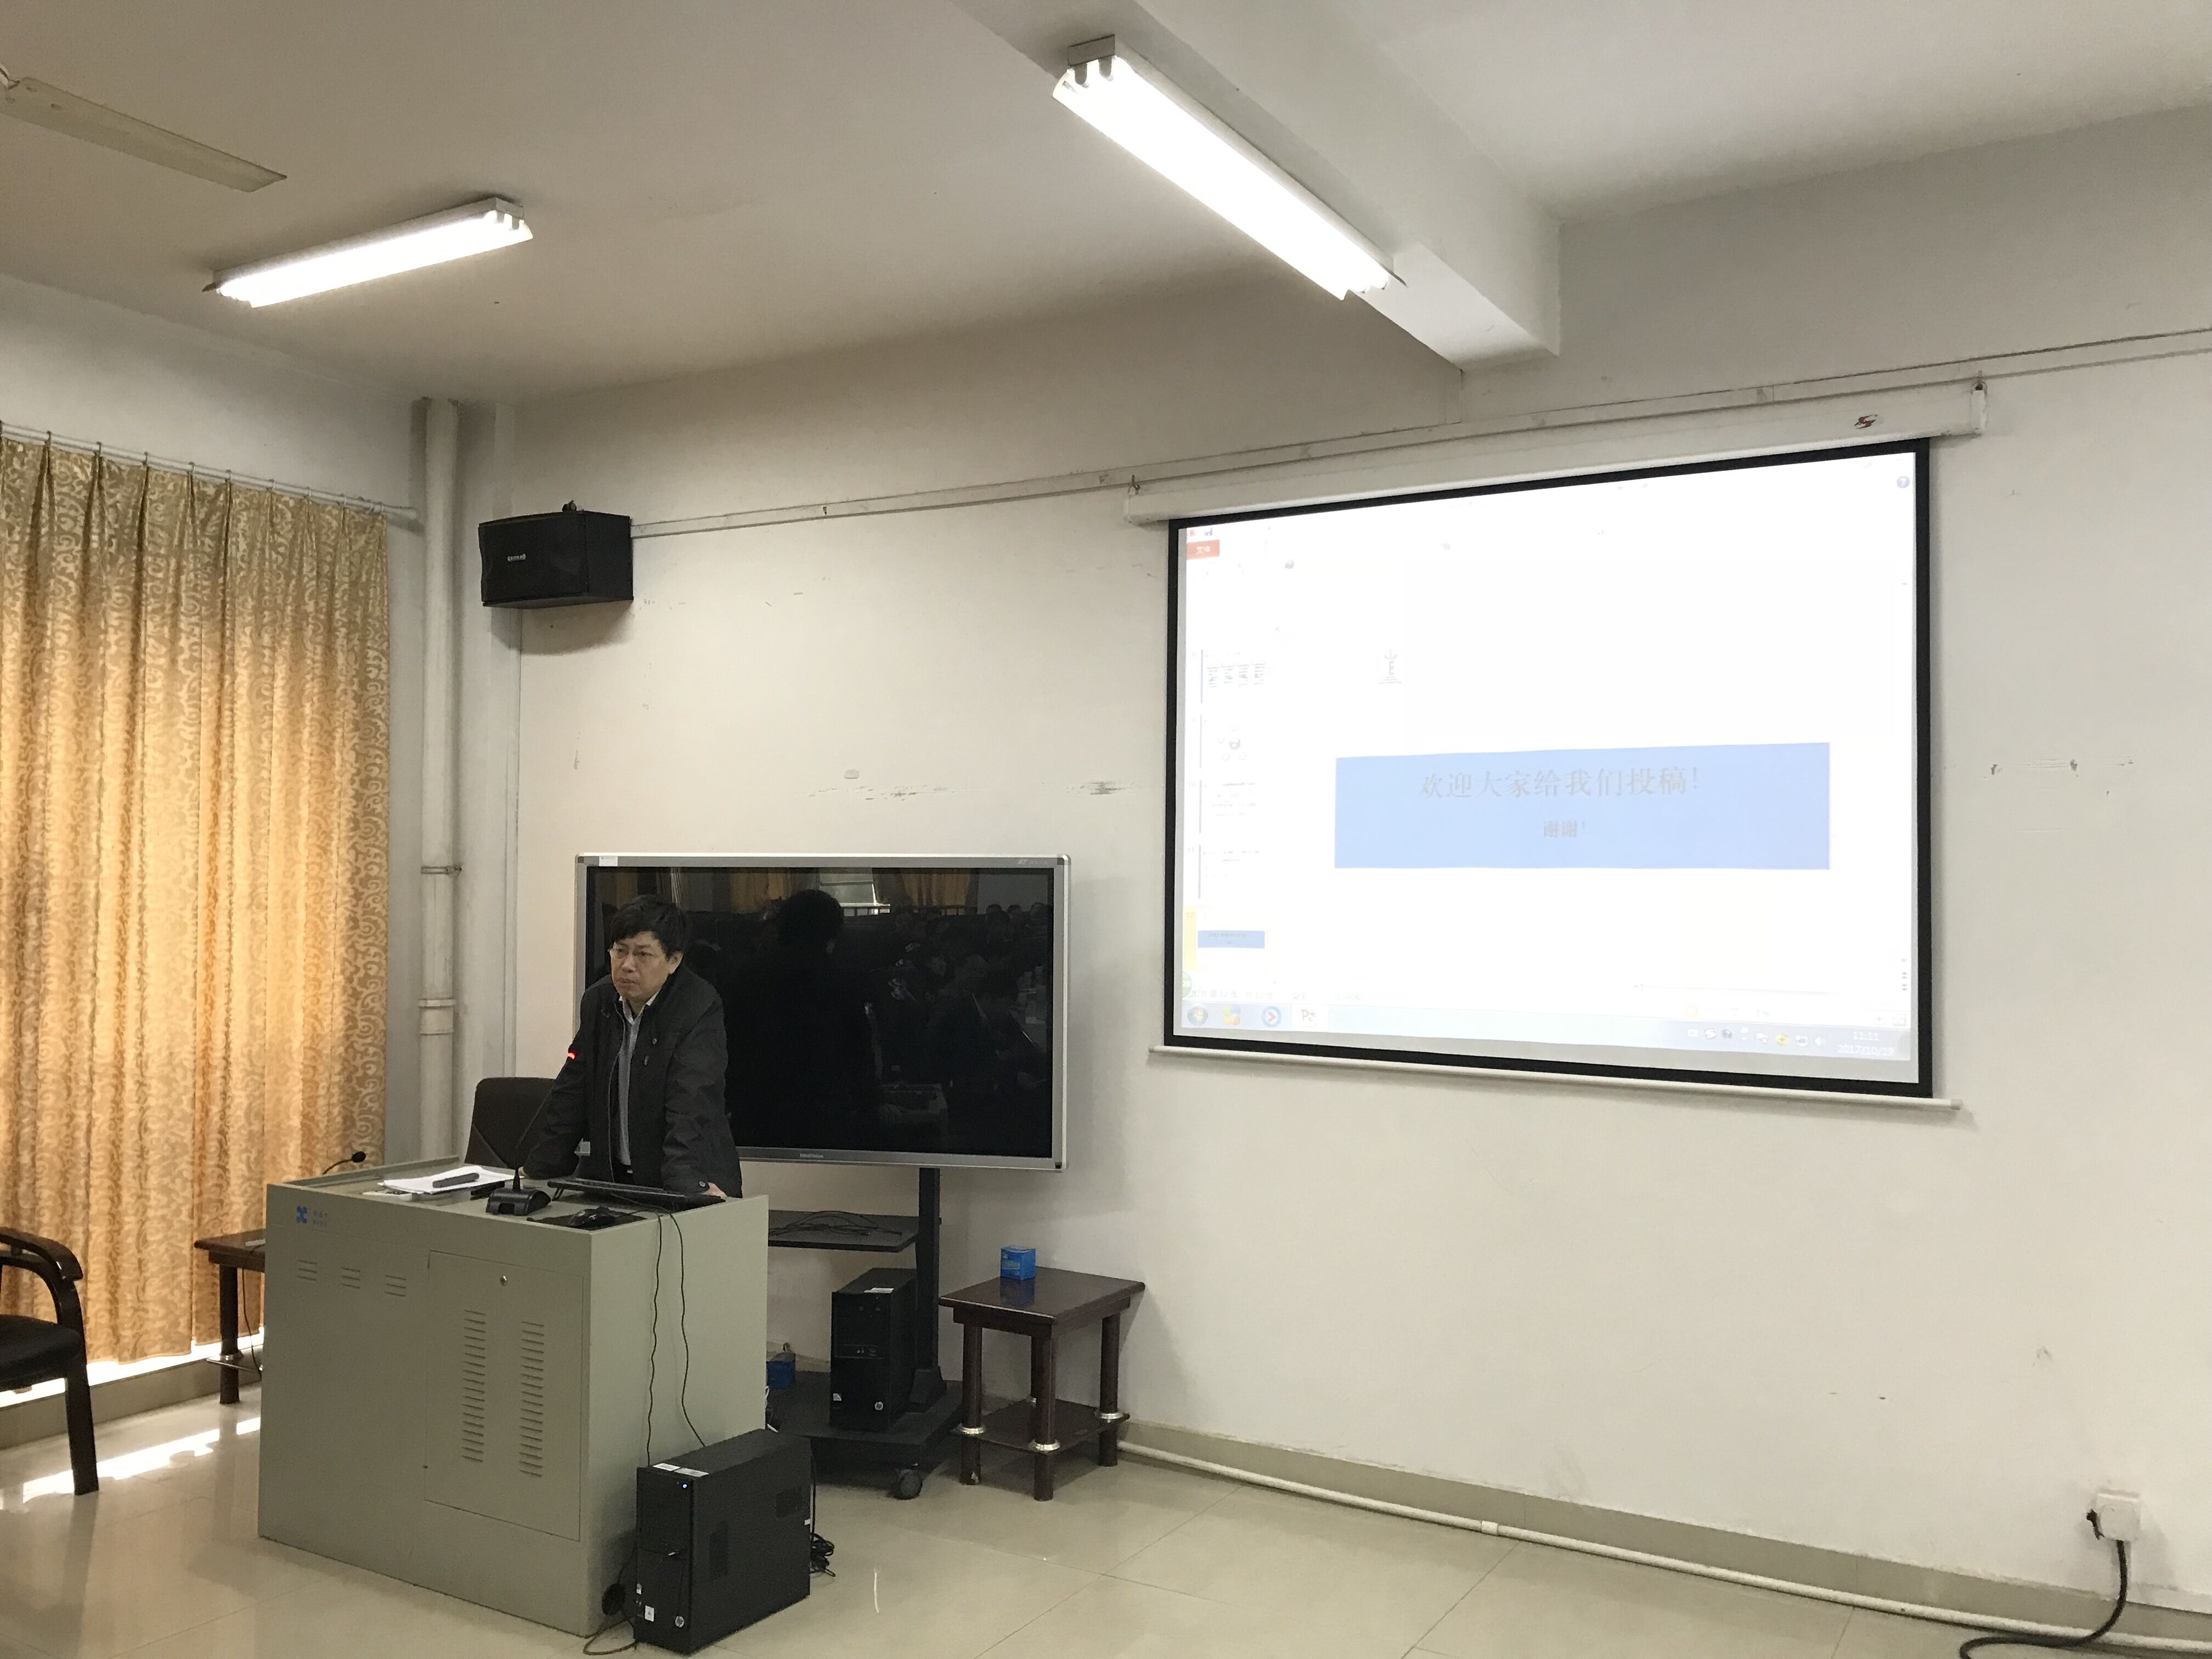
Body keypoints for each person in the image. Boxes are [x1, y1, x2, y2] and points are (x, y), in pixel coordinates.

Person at [526, 895, 743, 1197]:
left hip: (689, 1180)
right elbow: (573, 1090)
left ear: (673, 960)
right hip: (614, 1182)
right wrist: (542, 1167)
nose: (627, 966)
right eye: (620, 951)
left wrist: (686, 1180)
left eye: (643, 954)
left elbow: (692, 1099)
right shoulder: (599, 1001)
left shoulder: (698, 1006)